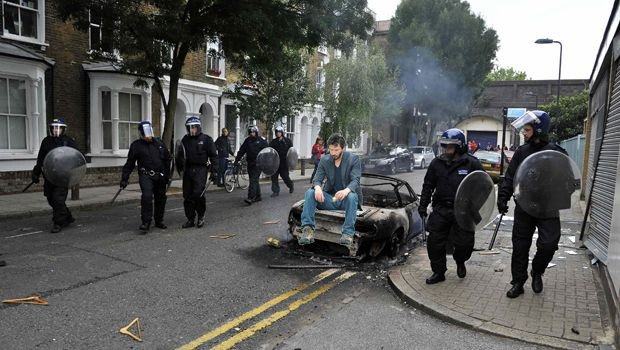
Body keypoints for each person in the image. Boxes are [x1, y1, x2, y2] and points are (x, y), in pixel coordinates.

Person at [498, 110, 568, 298]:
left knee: (548, 244)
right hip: (525, 205)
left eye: (527, 129)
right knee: (520, 246)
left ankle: (537, 270)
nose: (524, 133)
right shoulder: (522, 152)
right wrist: (503, 196)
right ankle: (518, 282)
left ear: (538, 130)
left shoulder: (556, 153)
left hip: (548, 207)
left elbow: (569, 180)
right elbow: (510, 176)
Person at [418, 128, 484, 284]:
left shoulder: (471, 163)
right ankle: (439, 272)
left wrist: (475, 205)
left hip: (463, 211)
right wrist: (423, 205)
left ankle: (460, 261)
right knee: (434, 242)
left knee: (464, 244)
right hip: (441, 208)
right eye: (444, 146)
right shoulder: (437, 163)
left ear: (459, 146)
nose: (446, 149)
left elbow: (484, 186)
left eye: (450, 146)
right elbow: (428, 186)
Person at [298, 133, 362, 248]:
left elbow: (355, 181)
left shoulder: (353, 159)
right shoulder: (325, 160)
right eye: (331, 149)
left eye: (336, 150)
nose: (333, 153)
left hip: (346, 201)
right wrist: (317, 188)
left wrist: (346, 191)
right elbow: (317, 179)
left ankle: (347, 234)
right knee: (310, 192)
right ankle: (307, 230)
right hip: (330, 199)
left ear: (343, 148)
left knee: (352, 196)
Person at [120, 121, 171, 233]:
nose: (147, 136)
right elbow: (130, 163)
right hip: (146, 175)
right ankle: (146, 222)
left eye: (149, 132)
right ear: (141, 133)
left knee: (160, 198)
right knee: (147, 197)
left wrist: (167, 175)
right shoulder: (136, 145)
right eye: (145, 133)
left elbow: (167, 159)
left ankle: (159, 220)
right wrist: (124, 178)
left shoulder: (159, 143)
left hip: (160, 176)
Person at [31, 118, 79, 233]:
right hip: (49, 175)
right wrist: (36, 173)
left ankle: (58, 223)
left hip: (63, 176)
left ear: (63, 129)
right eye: (53, 127)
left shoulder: (69, 141)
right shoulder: (46, 141)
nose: (55, 130)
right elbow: (41, 159)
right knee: (51, 199)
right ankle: (67, 217)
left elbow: (77, 157)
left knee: (58, 199)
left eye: (58, 128)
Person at [180, 117, 217, 229]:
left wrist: (214, 171)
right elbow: (179, 155)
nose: (192, 130)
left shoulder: (206, 139)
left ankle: (201, 216)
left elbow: (213, 156)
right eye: (190, 128)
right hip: (188, 170)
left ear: (198, 127)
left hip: (201, 169)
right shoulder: (185, 140)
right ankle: (190, 218)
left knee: (198, 193)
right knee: (187, 195)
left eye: (194, 127)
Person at [235, 126, 268, 205]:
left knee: (253, 180)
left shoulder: (261, 141)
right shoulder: (247, 141)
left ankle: (250, 197)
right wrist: (237, 160)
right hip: (250, 163)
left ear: (256, 132)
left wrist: (267, 162)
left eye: (253, 132)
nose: (251, 134)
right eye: (250, 133)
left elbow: (267, 151)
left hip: (259, 164)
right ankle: (258, 196)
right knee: (254, 180)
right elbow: (242, 150)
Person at [269, 126, 294, 197]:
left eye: (279, 132)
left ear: (282, 133)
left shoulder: (287, 141)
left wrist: (291, 162)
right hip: (275, 162)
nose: (278, 134)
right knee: (274, 177)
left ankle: (290, 185)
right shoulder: (273, 142)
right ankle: (275, 191)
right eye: (277, 132)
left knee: (285, 177)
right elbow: (270, 151)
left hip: (284, 163)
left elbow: (291, 152)